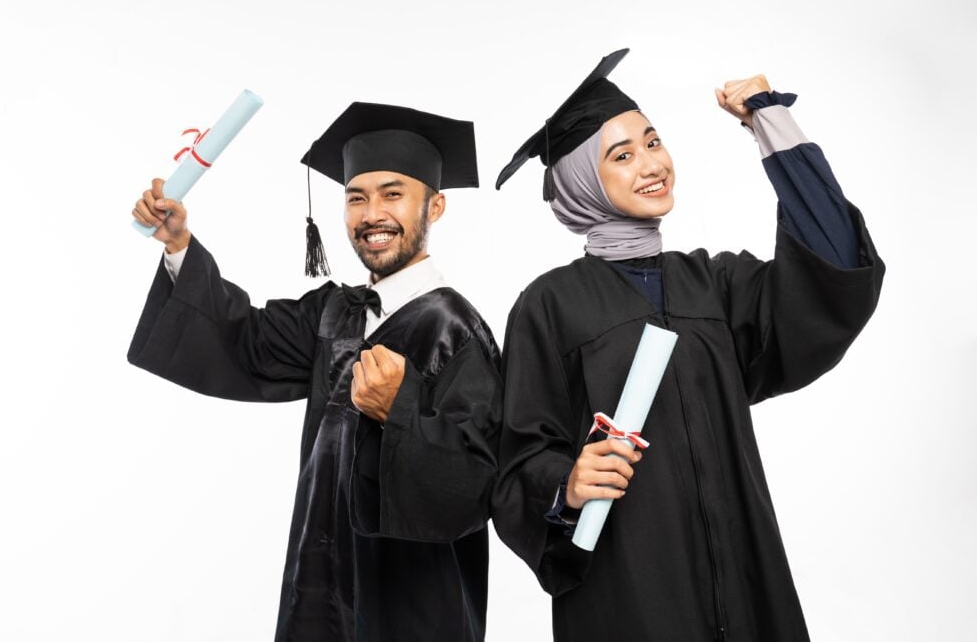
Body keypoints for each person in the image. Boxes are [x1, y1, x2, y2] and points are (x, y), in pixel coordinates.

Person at [491, 49, 884, 641]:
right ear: (580, 183)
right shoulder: (550, 305)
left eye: (653, 142)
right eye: (621, 156)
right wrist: (566, 482)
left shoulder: (715, 284)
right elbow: (517, 457)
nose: (651, 164)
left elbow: (833, 271)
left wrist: (767, 120)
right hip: (630, 596)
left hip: (746, 578)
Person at [128, 102, 502, 642]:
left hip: (413, 602)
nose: (372, 213)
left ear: (435, 207)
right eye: (357, 197)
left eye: (393, 194)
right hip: (321, 589)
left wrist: (401, 408)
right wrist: (179, 247)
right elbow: (245, 341)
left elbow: (476, 484)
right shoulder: (334, 312)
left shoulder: (458, 332)